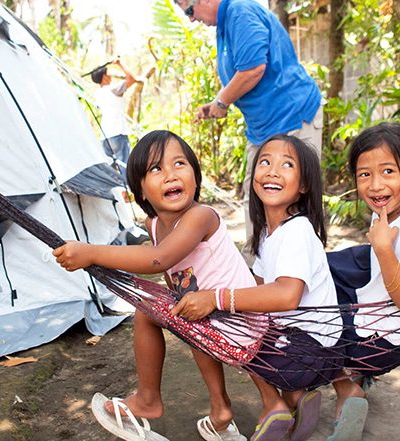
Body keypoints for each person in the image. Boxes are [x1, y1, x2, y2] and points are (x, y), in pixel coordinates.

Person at [53, 130, 255, 441]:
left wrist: (90, 252)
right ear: (141, 192)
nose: (170, 174)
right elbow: (171, 274)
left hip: (240, 320)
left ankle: (148, 400)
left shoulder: (201, 216)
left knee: (148, 311)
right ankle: (220, 409)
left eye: (179, 164)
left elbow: (159, 259)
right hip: (211, 318)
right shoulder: (156, 225)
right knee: (178, 309)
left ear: (196, 177)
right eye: (156, 169)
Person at [172, 135, 344, 441]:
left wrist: (216, 297)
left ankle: (274, 405)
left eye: (287, 165)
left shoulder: (297, 231)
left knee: (217, 323)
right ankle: (294, 396)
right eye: (265, 162)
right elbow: (257, 287)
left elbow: (286, 295)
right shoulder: (270, 232)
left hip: (308, 353)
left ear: (303, 186)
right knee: (236, 314)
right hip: (307, 348)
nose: (273, 171)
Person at [174, 0, 324, 265]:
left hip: (292, 117)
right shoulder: (225, 23)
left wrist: (222, 102)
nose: (191, 19)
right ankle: (258, 267)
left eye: (189, 10)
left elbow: (253, 68)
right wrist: (217, 104)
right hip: (263, 127)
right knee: (255, 195)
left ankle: (299, 270)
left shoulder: (239, 11)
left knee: (297, 197)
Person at [325, 122, 400, 441]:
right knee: (319, 268)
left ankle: (347, 387)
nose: (375, 185)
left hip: (385, 339)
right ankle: (354, 379)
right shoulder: (394, 211)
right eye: (365, 174)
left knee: (301, 319)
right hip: (378, 300)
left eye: (388, 171)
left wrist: (384, 248)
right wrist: (379, 248)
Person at [91, 59, 137, 178]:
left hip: (105, 136)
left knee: (110, 172)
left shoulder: (97, 94)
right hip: (118, 133)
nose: (110, 76)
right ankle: (128, 195)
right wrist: (120, 64)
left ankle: (116, 194)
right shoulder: (113, 89)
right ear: (104, 77)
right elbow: (132, 79)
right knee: (125, 167)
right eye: (108, 73)